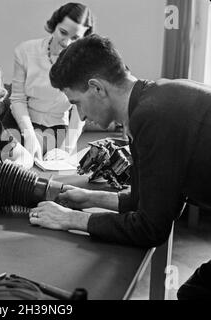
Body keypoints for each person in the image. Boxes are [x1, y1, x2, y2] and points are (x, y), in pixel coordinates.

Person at [28, 34, 211, 299]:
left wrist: (71, 219)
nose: (80, 116)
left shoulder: (153, 116)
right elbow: (145, 200)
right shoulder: (151, 101)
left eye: (76, 103)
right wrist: (90, 198)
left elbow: (151, 228)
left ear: (97, 88)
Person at [2, 2, 94, 159]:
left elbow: (80, 110)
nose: (66, 43)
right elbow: (17, 99)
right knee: (10, 159)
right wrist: (29, 135)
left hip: (56, 127)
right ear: (54, 25)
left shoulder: (85, 63)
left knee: (49, 163)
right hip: (21, 122)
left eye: (75, 38)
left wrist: (66, 149)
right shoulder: (25, 51)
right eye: (63, 32)